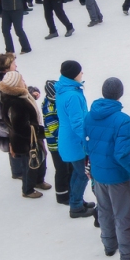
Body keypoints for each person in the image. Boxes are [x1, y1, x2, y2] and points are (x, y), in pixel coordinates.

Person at [84, 77, 130, 260]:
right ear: (120, 94)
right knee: (125, 214)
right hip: (117, 176)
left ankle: (109, 245)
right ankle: (128, 253)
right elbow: (121, 154)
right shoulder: (122, 120)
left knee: (104, 210)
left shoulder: (89, 115)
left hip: (98, 173)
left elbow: (85, 145)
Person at [0, 70, 50, 198]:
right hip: (26, 141)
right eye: (21, 80)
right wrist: (40, 132)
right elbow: (20, 127)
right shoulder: (15, 104)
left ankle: (39, 180)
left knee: (41, 158)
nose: (24, 82)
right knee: (30, 164)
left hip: (33, 138)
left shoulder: (20, 95)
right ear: (15, 85)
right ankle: (28, 190)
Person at [54, 61, 95, 220]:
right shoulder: (72, 95)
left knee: (78, 173)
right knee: (83, 173)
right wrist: (87, 140)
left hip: (68, 139)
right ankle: (76, 206)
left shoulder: (64, 89)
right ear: (73, 75)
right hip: (75, 142)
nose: (82, 74)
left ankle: (77, 201)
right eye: (80, 71)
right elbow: (77, 123)